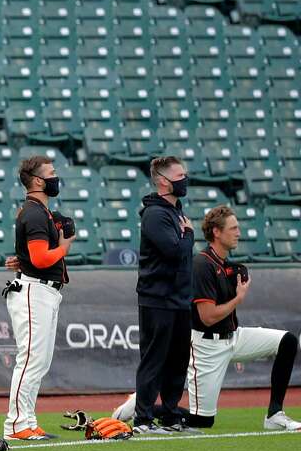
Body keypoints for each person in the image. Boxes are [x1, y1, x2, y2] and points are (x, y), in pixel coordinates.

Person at [111, 206, 301, 431]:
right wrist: (238, 299)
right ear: (216, 232)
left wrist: (241, 345)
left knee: (287, 341)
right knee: (203, 421)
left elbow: (225, 311)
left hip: (233, 337)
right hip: (207, 346)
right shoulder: (202, 265)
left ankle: (274, 415)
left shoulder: (224, 264)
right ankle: (142, 405)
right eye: (233, 228)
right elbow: (208, 317)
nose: (238, 232)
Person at [2, 156, 75, 440]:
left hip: (43, 290)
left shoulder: (41, 211)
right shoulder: (34, 213)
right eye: (51, 173)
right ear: (36, 181)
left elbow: (30, 256)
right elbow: (41, 258)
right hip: (34, 290)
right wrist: (65, 247)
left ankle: (28, 420)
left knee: (39, 361)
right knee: (31, 358)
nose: (55, 178)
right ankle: (17, 424)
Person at [131, 156, 195, 435]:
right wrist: (189, 235)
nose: (185, 179)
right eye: (180, 175)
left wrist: (184, 237)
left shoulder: (175, 211)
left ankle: (170, 415)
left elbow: (180, 252)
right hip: (157, 298)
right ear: (162, 181)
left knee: (177, 361)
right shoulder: (156, 214)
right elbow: (174, 251)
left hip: (179, 298)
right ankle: (143, 419)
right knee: (154, 360)